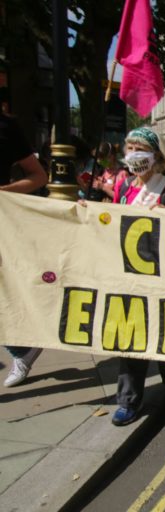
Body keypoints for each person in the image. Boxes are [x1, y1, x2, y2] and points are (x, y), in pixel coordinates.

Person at [110, 127, 165, 426]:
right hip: (129, 278)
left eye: (139, 148)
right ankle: (128, 400)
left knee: (163, 341)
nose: (133, 154)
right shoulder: (123, 190)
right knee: (130, 340)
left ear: (157, 155)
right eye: (129, 148)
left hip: (162, 280)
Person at [1, 111, 49, 387]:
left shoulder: (6, 126)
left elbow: (38, 176)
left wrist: (5, 192)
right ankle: (22, 350)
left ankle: (22, 351)